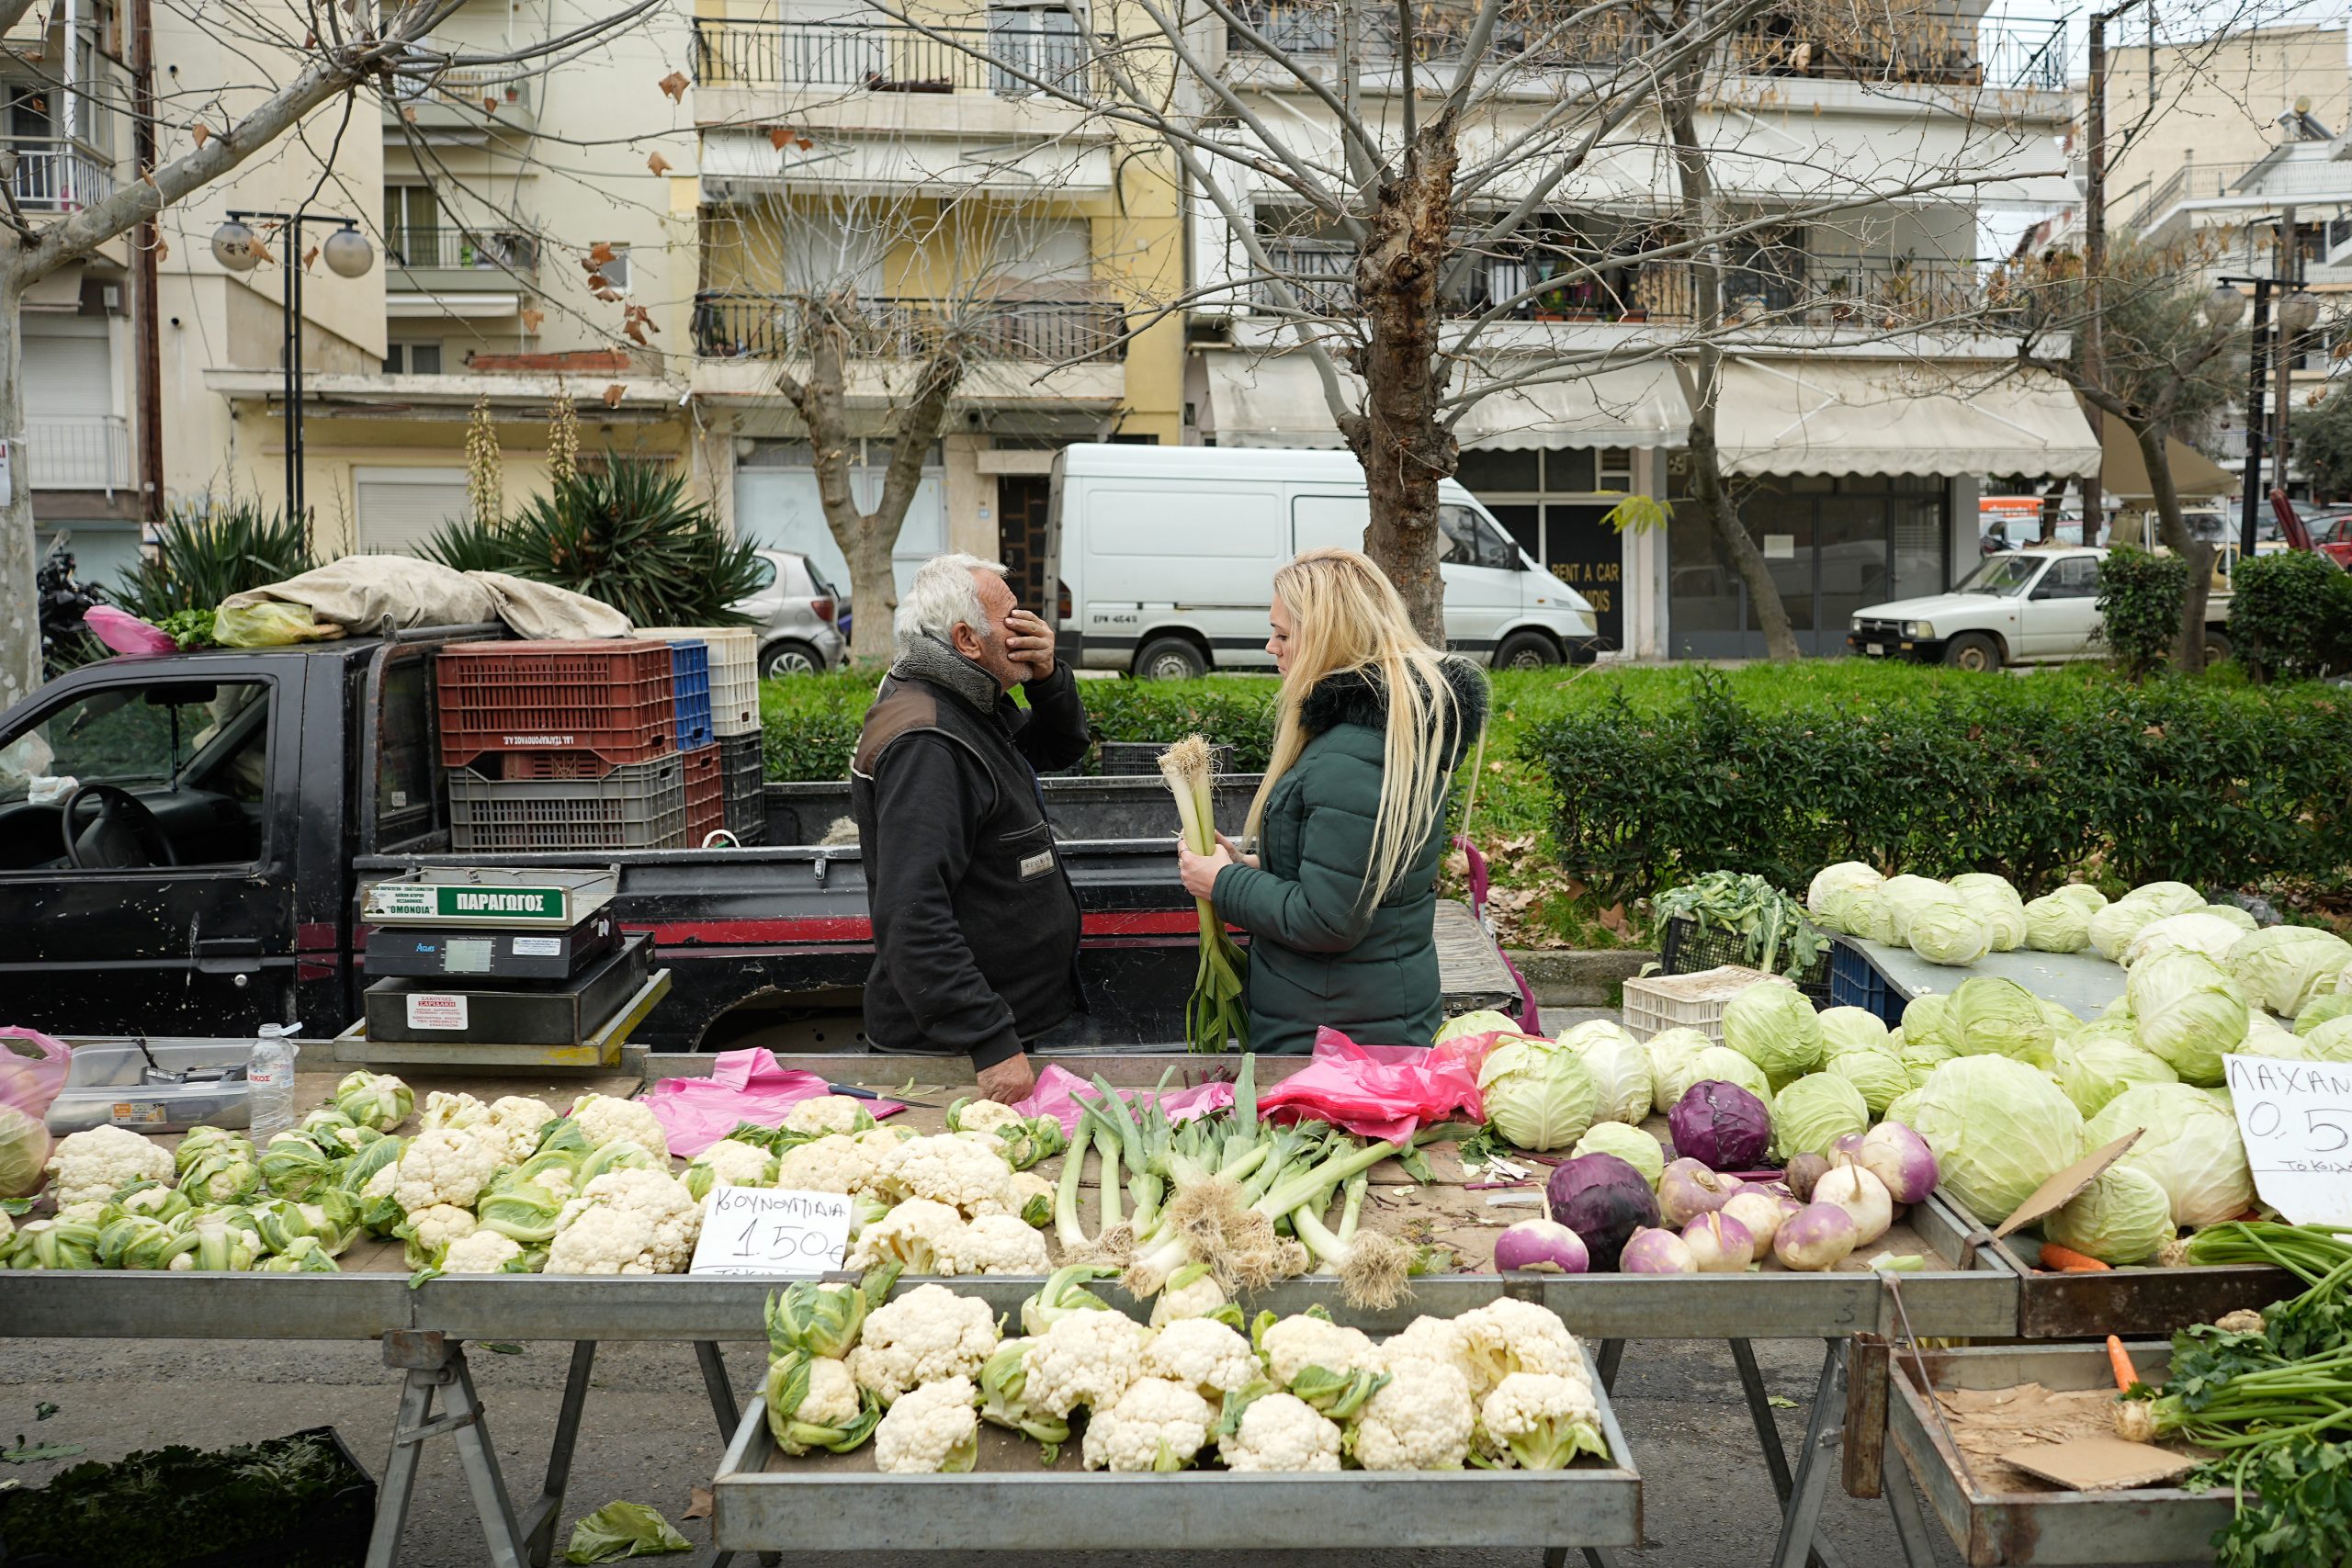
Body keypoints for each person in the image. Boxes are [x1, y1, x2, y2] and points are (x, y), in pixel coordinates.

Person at [1176, 547, 1488, 1053]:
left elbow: (1329, 919)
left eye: (1282, 633)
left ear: (1326, 637)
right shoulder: (1378, 736)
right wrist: (1255, 865)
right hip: (1355, 1021)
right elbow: (1356, 874)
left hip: (1337, 1042)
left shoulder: (1353, 755)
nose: (1270, 646)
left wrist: (1223, 883)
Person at [850, 554, 1089, 1101]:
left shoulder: (963, 697)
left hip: (1010, 1026)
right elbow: (913, 916)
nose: (1028, 624)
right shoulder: (928, 744)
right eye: (1010, 616)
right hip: (958, 1057)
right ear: (966, 638)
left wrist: (1048, 676)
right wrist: (989, 1039)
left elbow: (1059, 746)